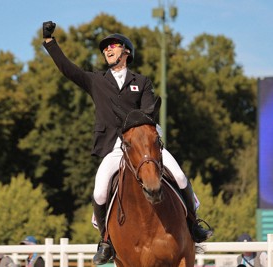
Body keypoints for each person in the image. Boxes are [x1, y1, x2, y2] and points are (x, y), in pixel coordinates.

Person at [41, 21, 213, 265]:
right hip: (114, 147)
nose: (107, 50)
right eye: (104, 49)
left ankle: (194, 226)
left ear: (126, 51)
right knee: (100, 190)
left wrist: (141, 135)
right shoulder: (96, 81)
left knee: (181, 178)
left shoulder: (141, 82)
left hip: (143, 145)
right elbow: (68, 69)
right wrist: (50, 43)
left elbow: (149, 111)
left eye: (112, 46)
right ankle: (105, 240)